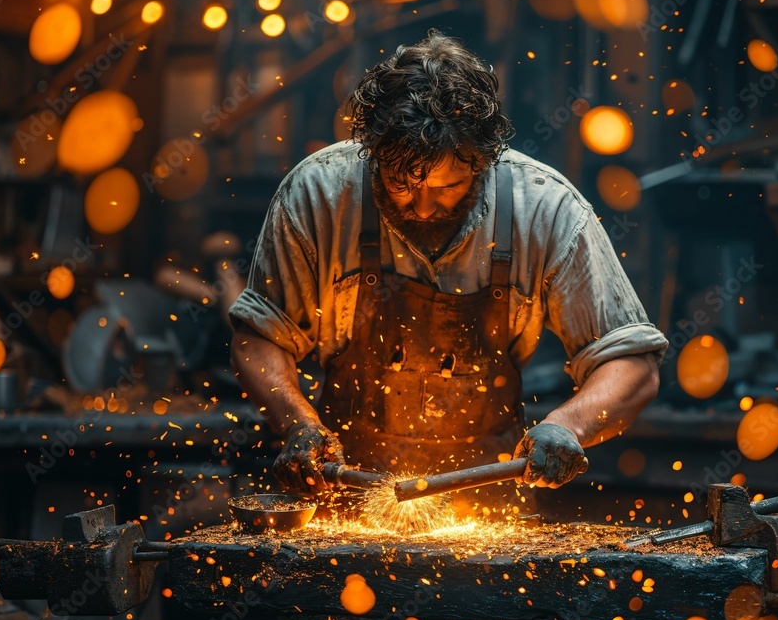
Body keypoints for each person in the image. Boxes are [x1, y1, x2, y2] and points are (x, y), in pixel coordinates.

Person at [229, 30, 667, 508]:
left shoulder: (544, 209)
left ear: (482, 162)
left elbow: (632, 365)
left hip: (487, 507)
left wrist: (568, 425)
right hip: (345, 496)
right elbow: (259, 337)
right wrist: (299, 425)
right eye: (400, 183)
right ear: (372, 151)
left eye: (446, 187)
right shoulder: (318, 196)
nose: (419, 206)